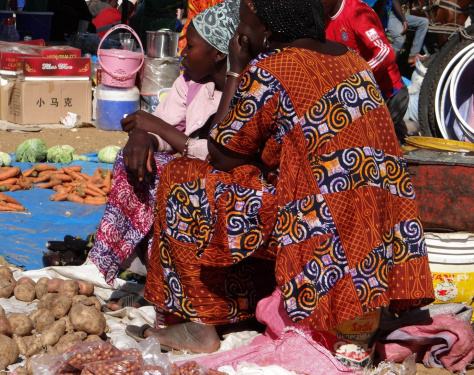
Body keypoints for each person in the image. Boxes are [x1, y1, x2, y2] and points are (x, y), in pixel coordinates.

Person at [125, 0, 435, 367]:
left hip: (324, 232)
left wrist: (238, 70)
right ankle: (243, 305)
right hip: (381, 230)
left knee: (185, 178)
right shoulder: (352, 61)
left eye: (246, 26)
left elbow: (222, 153)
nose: (241, 35)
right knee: (253, 182)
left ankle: (200, 323)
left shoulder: (273, 70)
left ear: (267, 31)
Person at [89, 0, 240, 310]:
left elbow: (218, 153)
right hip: (192, 169)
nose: (183, 53)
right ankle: (112, 265)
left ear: (218, 54)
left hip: (228, 183)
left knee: (172, 176)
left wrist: (158, 129)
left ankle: (167, 287)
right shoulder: (189, 82)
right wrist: (144, 136)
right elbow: (164, 125)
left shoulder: (245, 90)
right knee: (135, 161)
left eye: (191, 47)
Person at [322, 0, 410, 140]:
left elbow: (384, 52)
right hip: (356, 97)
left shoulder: (357, 12)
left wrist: (355, 77)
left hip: (387, 94)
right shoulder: (322, 17)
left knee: (370, 142)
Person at [386, 0, 429, 65]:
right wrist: (404, 21)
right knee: (399, 39)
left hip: (400, 15)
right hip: (391, 14)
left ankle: (413, 56)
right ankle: (389, 67)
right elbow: (394, 2)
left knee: (424, 22)